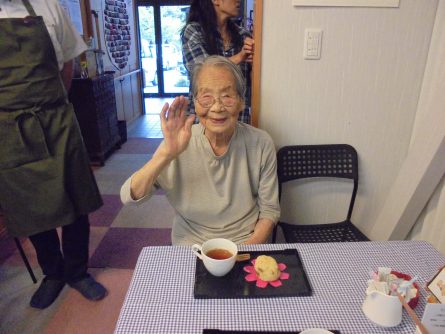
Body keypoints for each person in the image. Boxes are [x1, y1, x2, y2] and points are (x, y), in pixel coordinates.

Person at [0, 0, 107, 309]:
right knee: (31, 207)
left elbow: (68, 64)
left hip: (56, 118)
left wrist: (52, 107)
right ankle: (53, 274)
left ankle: (77, 272)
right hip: (9, 128)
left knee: (76, 200)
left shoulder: (48, 5)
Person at [121, 56, 280, 245]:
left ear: (241, 102)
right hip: (191, 244)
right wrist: (166, 154)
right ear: (195, 103)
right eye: (206, 97)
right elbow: (129, 196)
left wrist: (245, 251)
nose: (217, 107)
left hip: (244, 242)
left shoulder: (261, 143)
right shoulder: (179, 143)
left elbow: (269, 209)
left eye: (227, 96)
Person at [181, 0, 254, 124]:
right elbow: (204, 70)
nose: (239, 1)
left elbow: (252, 82)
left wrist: (254, 62)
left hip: (237, 118)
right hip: (204, 118)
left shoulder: (243, 36)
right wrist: (241, 56)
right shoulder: (194, 31)